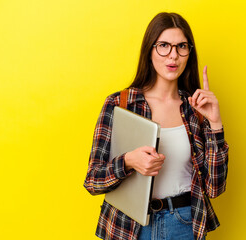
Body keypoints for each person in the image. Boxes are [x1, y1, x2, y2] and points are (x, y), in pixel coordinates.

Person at [84, 12, 229, 240]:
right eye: (164, 45)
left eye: (181, 46)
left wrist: (215, 124)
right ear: (149, 50)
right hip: (129, 226)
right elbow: (93, 181)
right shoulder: (120, 104)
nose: (173, 56)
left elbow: (215, 188)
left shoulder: (195, 109)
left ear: (189, 53)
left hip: (183, 223)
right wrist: (128, 162)